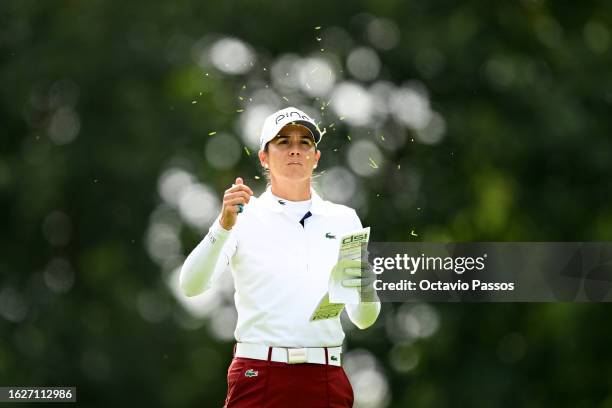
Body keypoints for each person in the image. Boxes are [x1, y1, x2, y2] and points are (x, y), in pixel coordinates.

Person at [179, 106, 381, 408]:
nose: (295, 150)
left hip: (326, 375)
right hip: (259, 373)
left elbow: (363, 319)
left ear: (316, 156)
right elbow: (191, 285)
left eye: (304, 143)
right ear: (264, 156)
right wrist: (222, 226)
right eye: (284, 142)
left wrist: (366, 287)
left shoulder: (344, 220)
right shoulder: (242, 216)